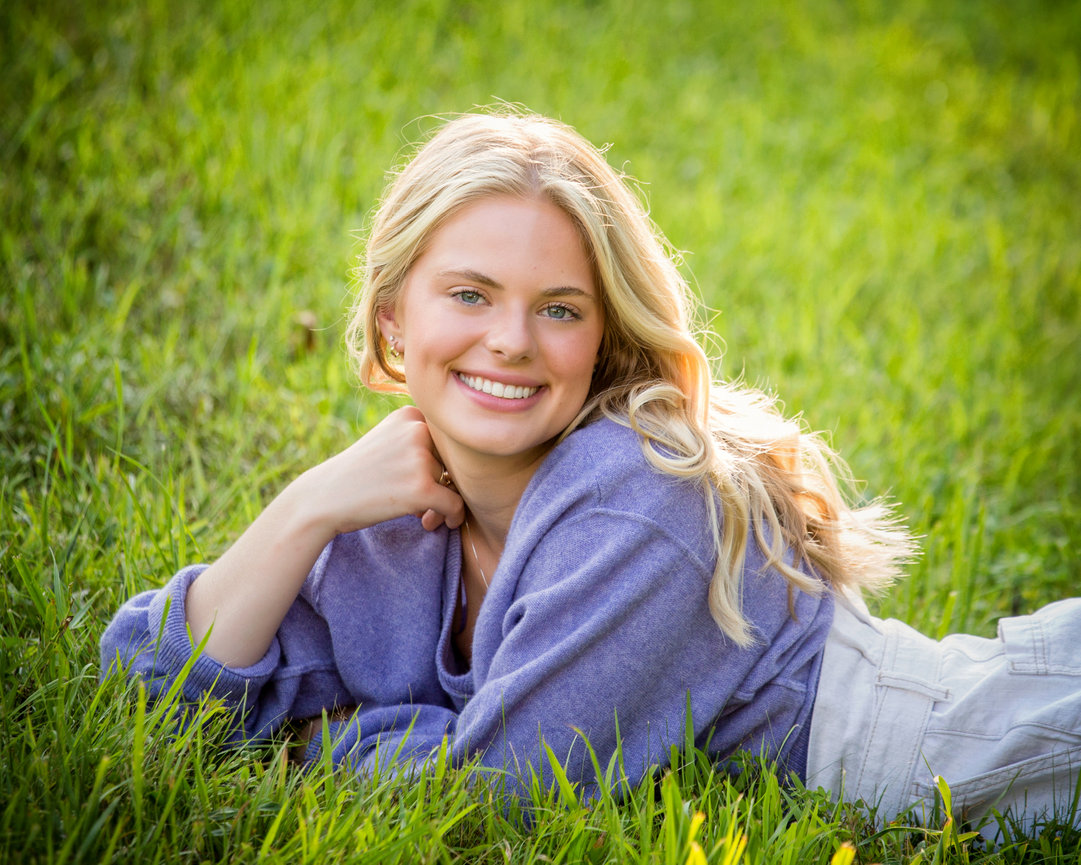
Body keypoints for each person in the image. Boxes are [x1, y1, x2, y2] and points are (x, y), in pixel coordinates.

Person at [100, 110, 1080, 831]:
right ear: (395, 317)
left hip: (974, 751)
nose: (512, 342)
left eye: (559, 308)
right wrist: (303, 510)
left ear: (604, 333)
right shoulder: (396, 512)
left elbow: (492, 800)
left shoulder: (642, 492)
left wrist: (324, 737)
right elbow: (146, 697)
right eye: (469, 294)